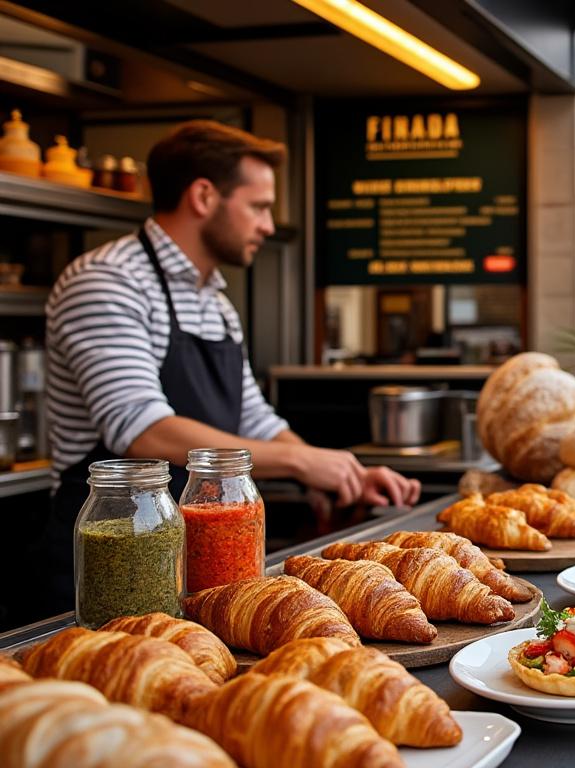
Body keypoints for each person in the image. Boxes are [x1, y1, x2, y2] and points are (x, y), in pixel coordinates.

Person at [38, 120, 422, 614]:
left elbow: (251, 419)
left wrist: (337, 471)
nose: (267, 225)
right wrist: (304, 463)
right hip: (114, 560)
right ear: (203, 196)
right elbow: (141, 430)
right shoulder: (106, 280)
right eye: (259, 206)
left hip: (200, 552)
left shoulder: (215, 303)